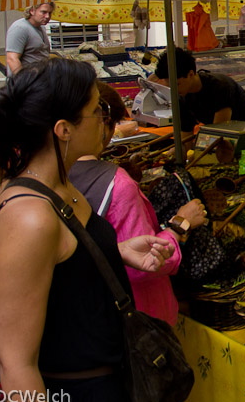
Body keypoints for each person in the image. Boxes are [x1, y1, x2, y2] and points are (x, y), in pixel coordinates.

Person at [0, 57, 173, 402]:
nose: (105, 117)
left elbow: (63, 266)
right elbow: (14, 363)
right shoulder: (30, 216)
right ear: (63, 130)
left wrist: (116, 250)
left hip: (110, 380)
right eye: (96, 108)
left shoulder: (59, 184)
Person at [69, 81, 207, 325]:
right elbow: (146, 265)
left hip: (84, 312)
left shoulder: (55, 175)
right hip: (137, 316)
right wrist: (181, 223)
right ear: (105, 124)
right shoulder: (118, 185)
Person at [154, 47, 245, 135]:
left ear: (191, 74)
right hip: (222, 137)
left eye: (177, 84)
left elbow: (217, 133)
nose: (174, 91)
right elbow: (186, 136)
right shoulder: (183, 96)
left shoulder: (220, 87)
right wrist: (175, 153)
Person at [5, 1, 55, 76]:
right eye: (43, 12)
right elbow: (12, 59)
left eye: (50, 13)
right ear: (32, 11)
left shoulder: (41, 27)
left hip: (40, 79)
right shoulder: (20, 28)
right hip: (26, 82)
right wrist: (23, 81)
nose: (47, 16)